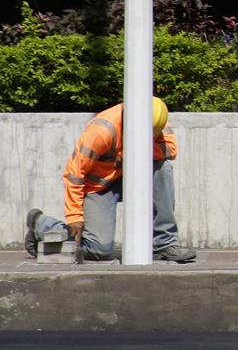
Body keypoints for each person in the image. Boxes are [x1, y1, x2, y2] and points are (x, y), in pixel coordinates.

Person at [22, 96, 196, 263]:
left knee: (162, 168)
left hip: (129, 179)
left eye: (152, 135)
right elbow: (74, 173)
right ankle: (42, 224)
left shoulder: (156, 117)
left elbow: (171, 150)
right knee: (99, 250)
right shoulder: (101, 131)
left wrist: (135, 148)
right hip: (98, 188)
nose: (151, 138)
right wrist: (74, 216)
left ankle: (164, 244)